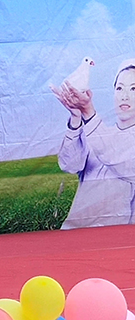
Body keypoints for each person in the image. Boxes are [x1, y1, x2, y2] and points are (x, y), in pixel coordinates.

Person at [52, 58, 135, 228]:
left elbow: (116, 158)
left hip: (116, 235)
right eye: (119, 88)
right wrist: (76, 118)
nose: (124, 96)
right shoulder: (96, 132)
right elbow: (70, 165)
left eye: (133, 89)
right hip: (76, 230)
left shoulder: (96, 130)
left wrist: (88, 112)